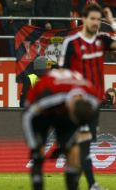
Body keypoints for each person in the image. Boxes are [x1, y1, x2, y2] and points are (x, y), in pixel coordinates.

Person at [59, 4, 116, 190]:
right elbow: (63, 73)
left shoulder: (101, 41)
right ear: (83, 19)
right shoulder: (72, 42)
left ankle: (82, 182)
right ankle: (91, 185)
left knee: (85, 144)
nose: (95, 23)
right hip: (80, 102)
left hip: (95, 102)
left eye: (98, 19)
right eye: (92, 18)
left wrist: (113, 22)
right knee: (84, 142)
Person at [23, 68, 100, 190]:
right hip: (43, 115)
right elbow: (27, 115)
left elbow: (85, 120)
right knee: (38, 155)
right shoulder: (48, 95)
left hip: (66, 115)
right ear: (70, 108)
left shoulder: (93, 98)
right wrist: (34, 146)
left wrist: (64, 146)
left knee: (74, 153)